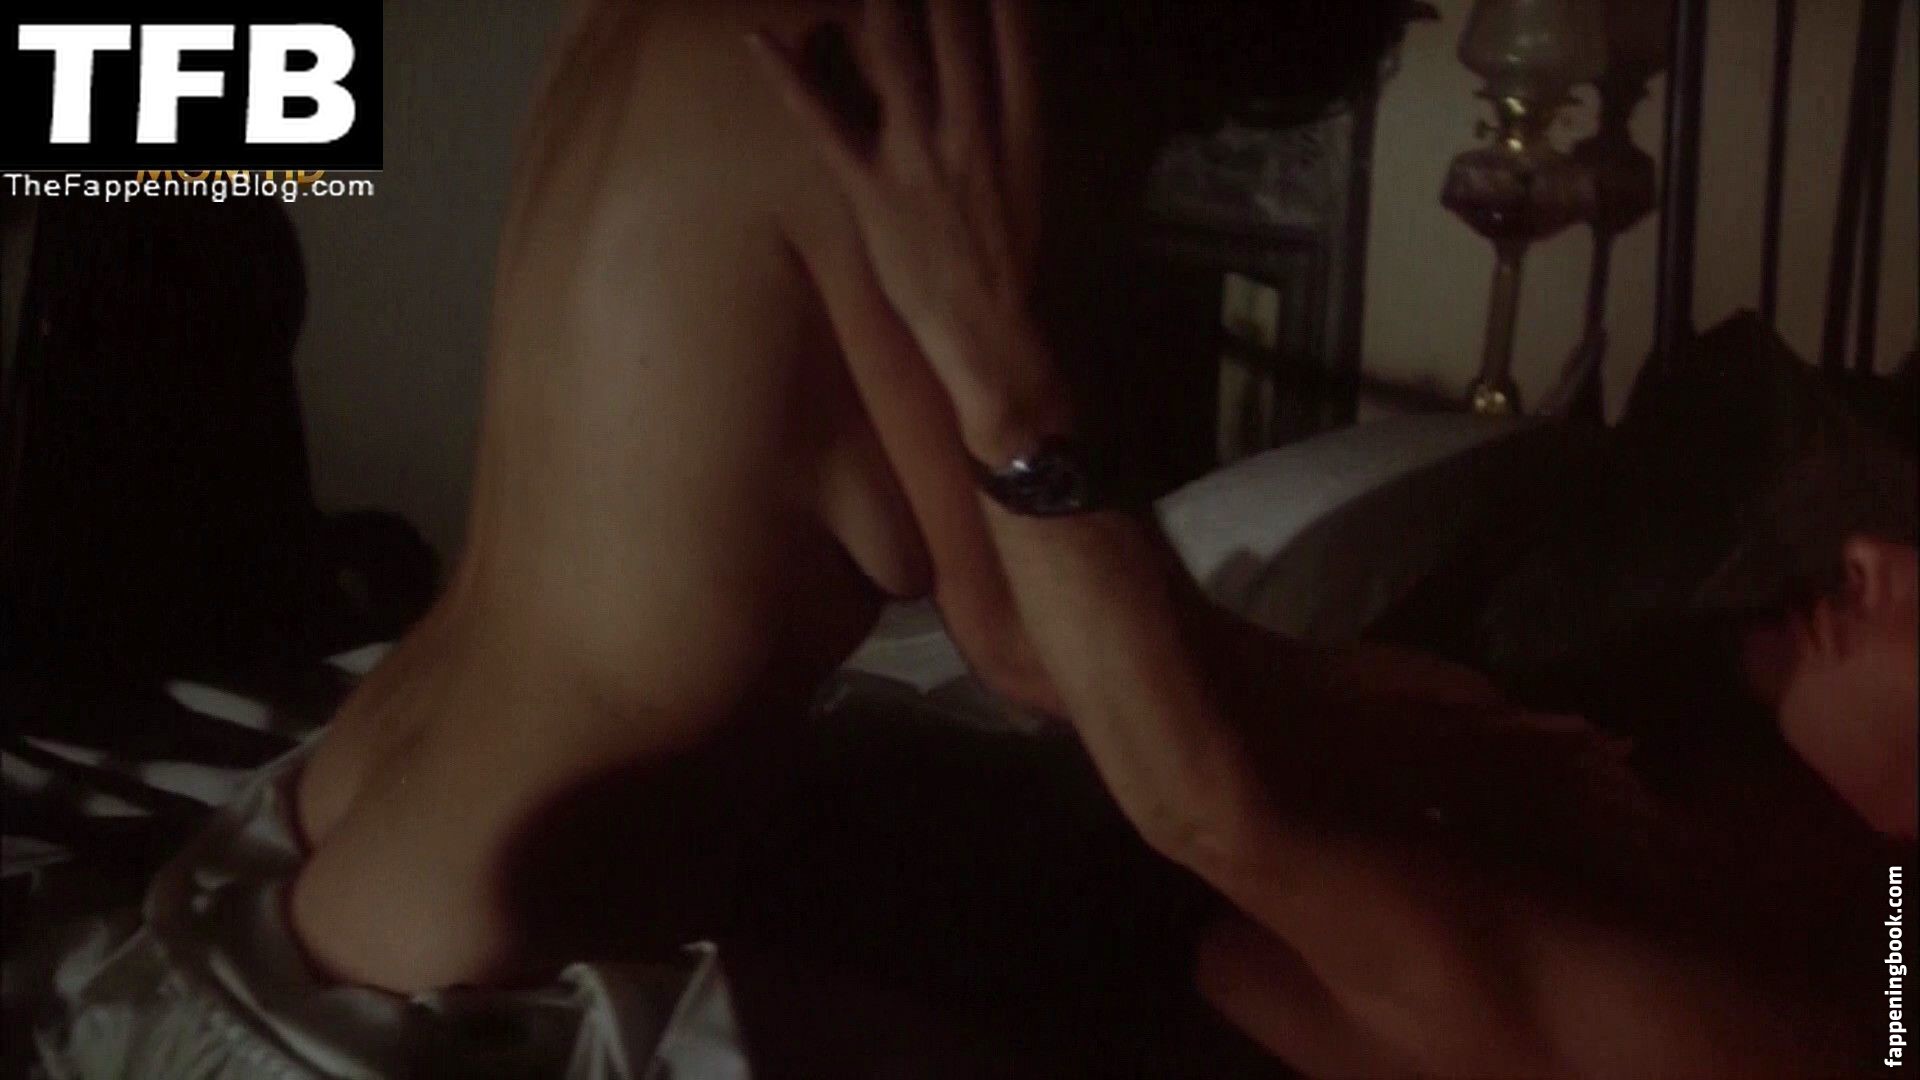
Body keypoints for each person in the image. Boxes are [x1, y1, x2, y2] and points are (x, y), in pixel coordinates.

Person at [34, 1, 1913, 1077]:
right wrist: (1400, 717)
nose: (1872, 556)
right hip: (439, 1006)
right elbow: (1041, 647)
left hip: (291, 861)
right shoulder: (948, 87)